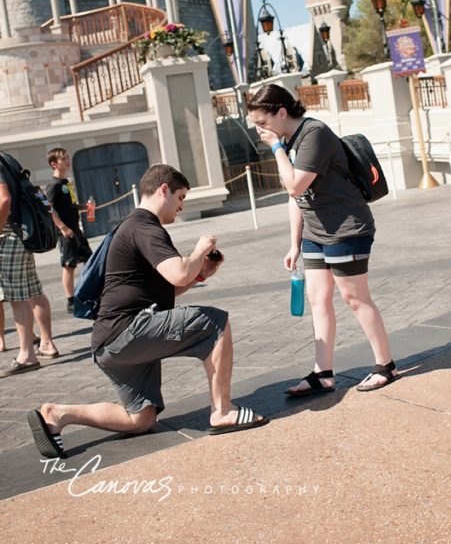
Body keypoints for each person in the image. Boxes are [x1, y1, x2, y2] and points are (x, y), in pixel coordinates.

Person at [26, 164, 268, 460]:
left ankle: (57, 414)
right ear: (163, 189)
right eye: (180, 197)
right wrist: (199, 249)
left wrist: (200, 274)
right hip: (127, 332)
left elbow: (169, 287)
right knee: (215, 322)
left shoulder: (134, 227)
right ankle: (222, 411)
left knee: (140, 419)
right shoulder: (145, 226)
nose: (180, 206)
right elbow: (179, 273)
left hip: (110, 342)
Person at [246, 84, 396, 395]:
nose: (260, 131)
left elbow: (295, 186)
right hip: (316, 232)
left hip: (346, 228)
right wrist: (295, 243)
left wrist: (276, 148)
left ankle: (386, 365)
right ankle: (323, 373)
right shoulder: (289, 140)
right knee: (317, 299)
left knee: (355, 299)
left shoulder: (314, 134)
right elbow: (295, 199)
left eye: (262, 123)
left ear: (282, 112)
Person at [0, 152, 60, 376]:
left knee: (16, 296)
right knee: (34, 290)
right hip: (21, 233)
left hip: (9, 236)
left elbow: (4, 199)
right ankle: (46, 343)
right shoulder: (6, 158)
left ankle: (26, 356)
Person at [45, 147, 92, 314]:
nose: (67, 160)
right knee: (69, 265)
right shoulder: (53, 185)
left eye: (67, 157)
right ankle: (70, 301)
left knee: (90, 259)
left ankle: (89, 292)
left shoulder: (66, 183)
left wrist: (83, 207)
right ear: (54, 164)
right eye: (63, 158)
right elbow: (48, 209)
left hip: (76, 229)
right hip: (66, 232)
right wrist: (62, 227)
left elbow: (70, 205)